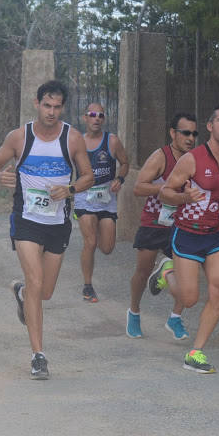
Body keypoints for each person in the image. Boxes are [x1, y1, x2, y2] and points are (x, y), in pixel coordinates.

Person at [0, 80, 94, 380]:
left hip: (57, 224)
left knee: (44, 292)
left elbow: (88, 176)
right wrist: (0, 175)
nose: (51, 111)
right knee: (36, 281)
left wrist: (70, 189)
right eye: (47, 105)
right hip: (26, 221)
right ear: (37, 103)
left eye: (57, 106)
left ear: (63, 107)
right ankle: (38, 355)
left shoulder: (72, 138)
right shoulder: (20, 137)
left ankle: (21, 293)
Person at [156, 104, 219, 374]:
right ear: (210, 126)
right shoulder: (192, 159)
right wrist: (182, 197)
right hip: (188, 235)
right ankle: (166, 272)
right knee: (189, 299)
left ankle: (196, 351)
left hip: (216, 236)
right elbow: (165, 192)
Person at [126, 112, 197, 340]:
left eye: (194, 134)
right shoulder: (161, 157)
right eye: (185, 133)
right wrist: (165, 189)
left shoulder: (195, 159)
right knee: (142, 271)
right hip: (155, 222)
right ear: (173, 133)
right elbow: (138, 188)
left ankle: (175, 317)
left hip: (181, 224)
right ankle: (134, 312)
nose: (190, 138)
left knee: (186, 274)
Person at [72, 103, 129, 303]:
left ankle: (94, 228)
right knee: (90, 242)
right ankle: (88, 286)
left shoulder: (112, 141)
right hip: (83, 197)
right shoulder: (77, 142)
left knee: (107, 248)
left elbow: (125, 163)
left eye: (101, 116)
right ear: (85, 118)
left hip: (106, 199)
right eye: (93, 115)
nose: (97, 118)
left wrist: (119, 179)